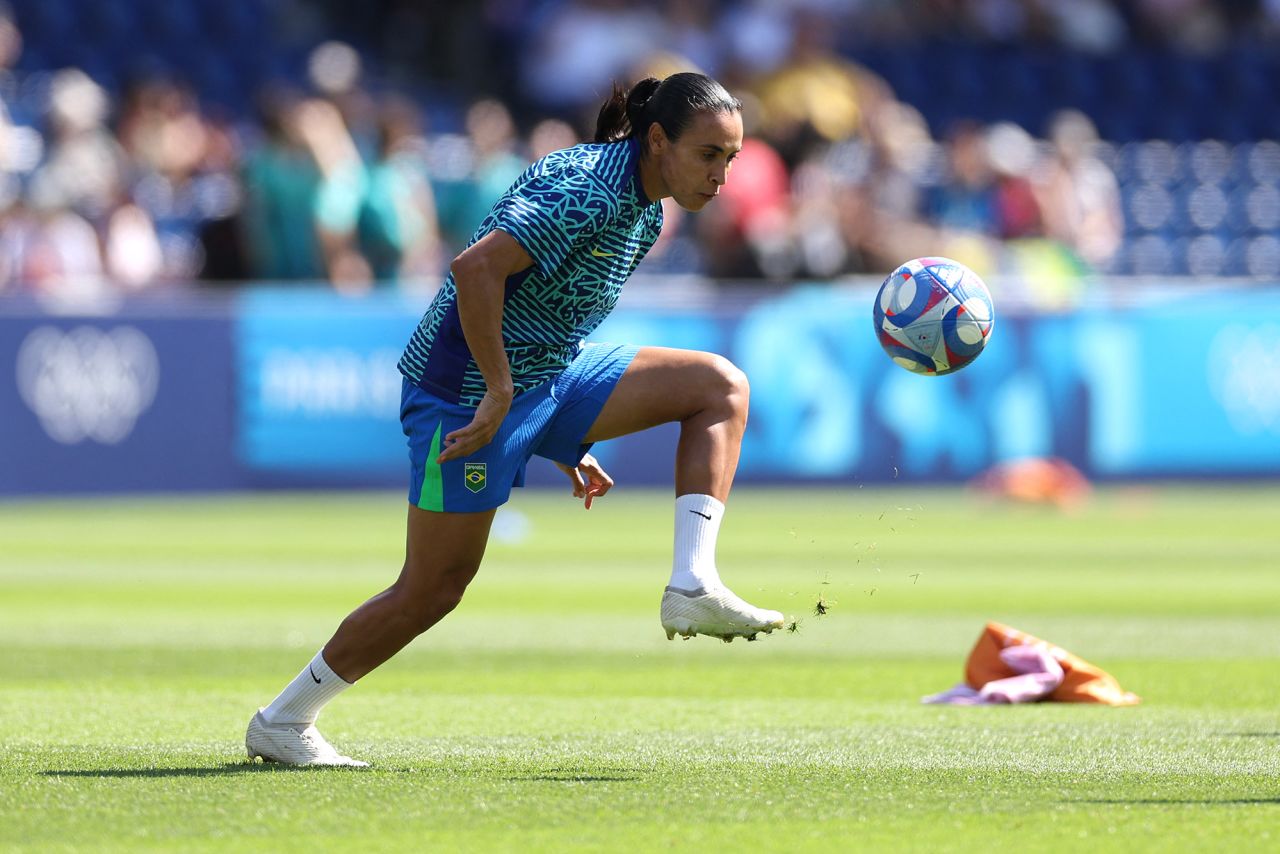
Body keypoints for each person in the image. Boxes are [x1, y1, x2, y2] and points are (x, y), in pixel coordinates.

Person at [245, 72, 785, 767]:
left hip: (541, 377)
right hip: (462, 394)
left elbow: (554, 316)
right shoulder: (587, 190)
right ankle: (282, 722)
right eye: (710, 154)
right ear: (658, 141)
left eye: (731, 159)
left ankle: (692, 582)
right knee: (433, 589)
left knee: (718, 386)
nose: (722, 174)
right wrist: (500, 394)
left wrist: (563, 438)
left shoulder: (646, 208)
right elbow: (475, 271)